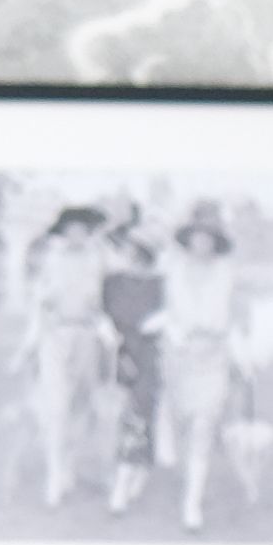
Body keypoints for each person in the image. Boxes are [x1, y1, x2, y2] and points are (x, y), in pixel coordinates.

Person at [150, 201, 241, 534]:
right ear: (188, 239)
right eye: (197, 237)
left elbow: (236, 317)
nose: (203, 243)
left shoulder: (228, 271)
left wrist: (242, 353)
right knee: (181, 422)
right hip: (178, 355)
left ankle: (192, 503)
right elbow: (159, 305)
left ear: (216, 242)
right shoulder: (171, 268)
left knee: (204, 427)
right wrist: (170, 332)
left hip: (213, 356)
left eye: (210, 238)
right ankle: (169, 447)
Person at [17, 204, 112, 510]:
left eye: (82, 230)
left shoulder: (99, 261)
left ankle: (69, 465)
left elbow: (105, 302)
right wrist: (30, 343)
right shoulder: (51, 260)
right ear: (63, 232)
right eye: (71, 230)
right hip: (55, 337)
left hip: (87, 337)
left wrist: (107, 332)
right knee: (56, 407)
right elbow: (38, 305)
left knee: (82, 408)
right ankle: (53, 477)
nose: (76, 235)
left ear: (88, 233)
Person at [99, 206, 167, 518]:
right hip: (113, 354)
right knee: (114, 418)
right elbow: (97, 311)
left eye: (133, 248)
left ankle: (123, 484)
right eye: (123, 247)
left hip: (145, 357)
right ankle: (132, 468)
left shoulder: (159, 285)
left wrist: (161, 322)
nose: (126, 253)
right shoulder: (111, 282)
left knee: (138, 416)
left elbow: (172, 316)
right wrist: (104, 329)